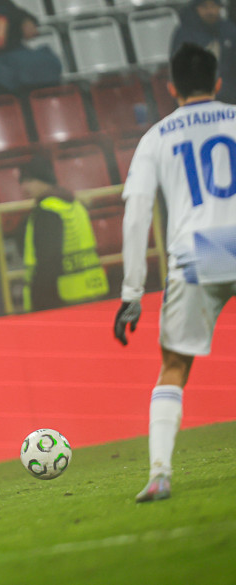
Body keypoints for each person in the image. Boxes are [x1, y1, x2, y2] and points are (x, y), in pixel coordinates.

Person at [115, 43, 236, 503]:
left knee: (174, 366)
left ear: (171, 88)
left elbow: (136, 216)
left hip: (195, 252)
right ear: (217, 82)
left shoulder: (156, 137)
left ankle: (160, 474)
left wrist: (132, 293)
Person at [19, 158, 109, 312]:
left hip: (63, 298)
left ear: (43, 180)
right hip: (92, 289)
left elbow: (48, 261)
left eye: (28, 181)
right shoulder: (74, 204)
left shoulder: (48, 210)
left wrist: (40, 301)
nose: (24, 187)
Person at [171, 0, 236, 104]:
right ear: (195, 8)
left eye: (214, 6)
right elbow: (178, 71)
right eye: (205, 6)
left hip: (230, 96)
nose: (210, 11)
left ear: (220, 8)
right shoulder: (185, 34)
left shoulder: (229, 30)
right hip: (196, 98)